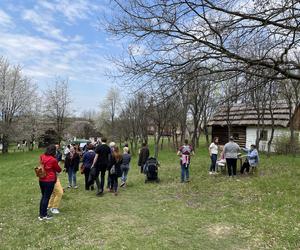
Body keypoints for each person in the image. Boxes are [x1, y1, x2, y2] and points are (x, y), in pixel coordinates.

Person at [38, 145, 62, 220]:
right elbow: (58, 169)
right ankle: (44, 215)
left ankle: (41, 214)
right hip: (49, 180)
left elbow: (41, 164)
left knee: (43, 197)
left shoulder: (42, 156)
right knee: (46, 197)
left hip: (41, 179)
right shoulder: (53, 160)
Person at [48, 145, 64, 214]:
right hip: (52, 178)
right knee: (60, 192)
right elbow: (59, 169)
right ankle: (54, 207)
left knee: (54, 193)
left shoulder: (44, 157)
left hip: (48, 178)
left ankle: (49, 206)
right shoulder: (52, 159)